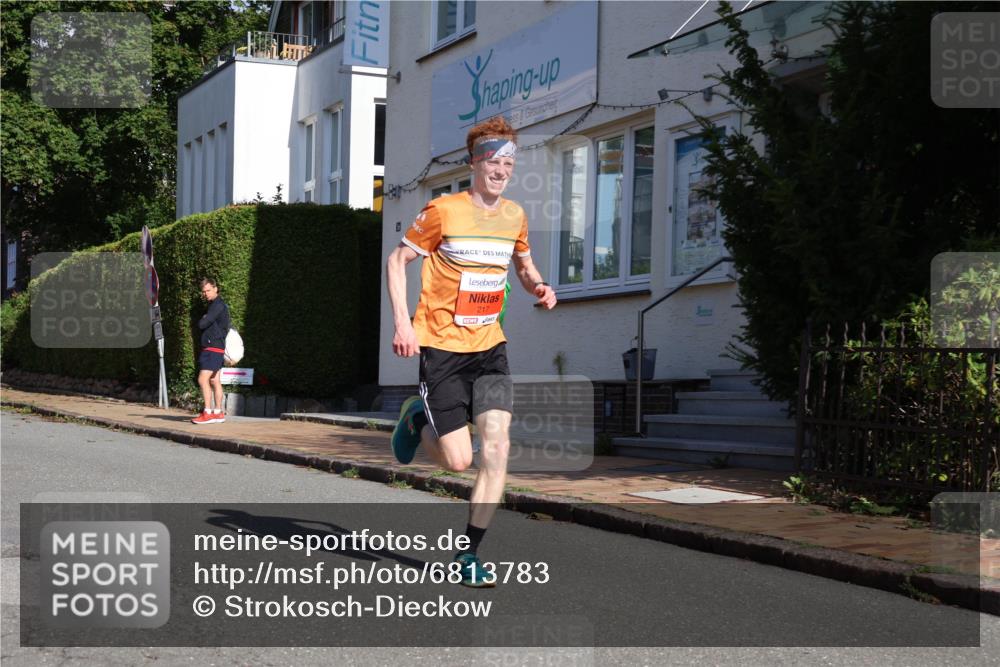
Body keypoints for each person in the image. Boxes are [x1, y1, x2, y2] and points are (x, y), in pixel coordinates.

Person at [385, 116, 557, 587]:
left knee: (497, 450)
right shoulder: (443, 210)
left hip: (489, 348)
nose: (501, 170)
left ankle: (469, 554)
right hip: (441, 347)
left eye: (508, 162)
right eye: (493, 161)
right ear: (474, 162)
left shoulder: (515, 216)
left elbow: (523, 265)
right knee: (459, 461)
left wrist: (538, 286)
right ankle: (417, 418)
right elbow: (397, 261)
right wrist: (404, 322)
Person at [192, 278, 230, 425]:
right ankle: (218, 413)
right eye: (203, 292)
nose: (205, 294)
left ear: (215, 288)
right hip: (217, 346)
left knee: (203, 379)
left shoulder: (217, 306)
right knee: (214, 380)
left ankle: (207, 413)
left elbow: (203, 324)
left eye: (208, 290)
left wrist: (204, 319)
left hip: (213, 347)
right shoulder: (217, 305)